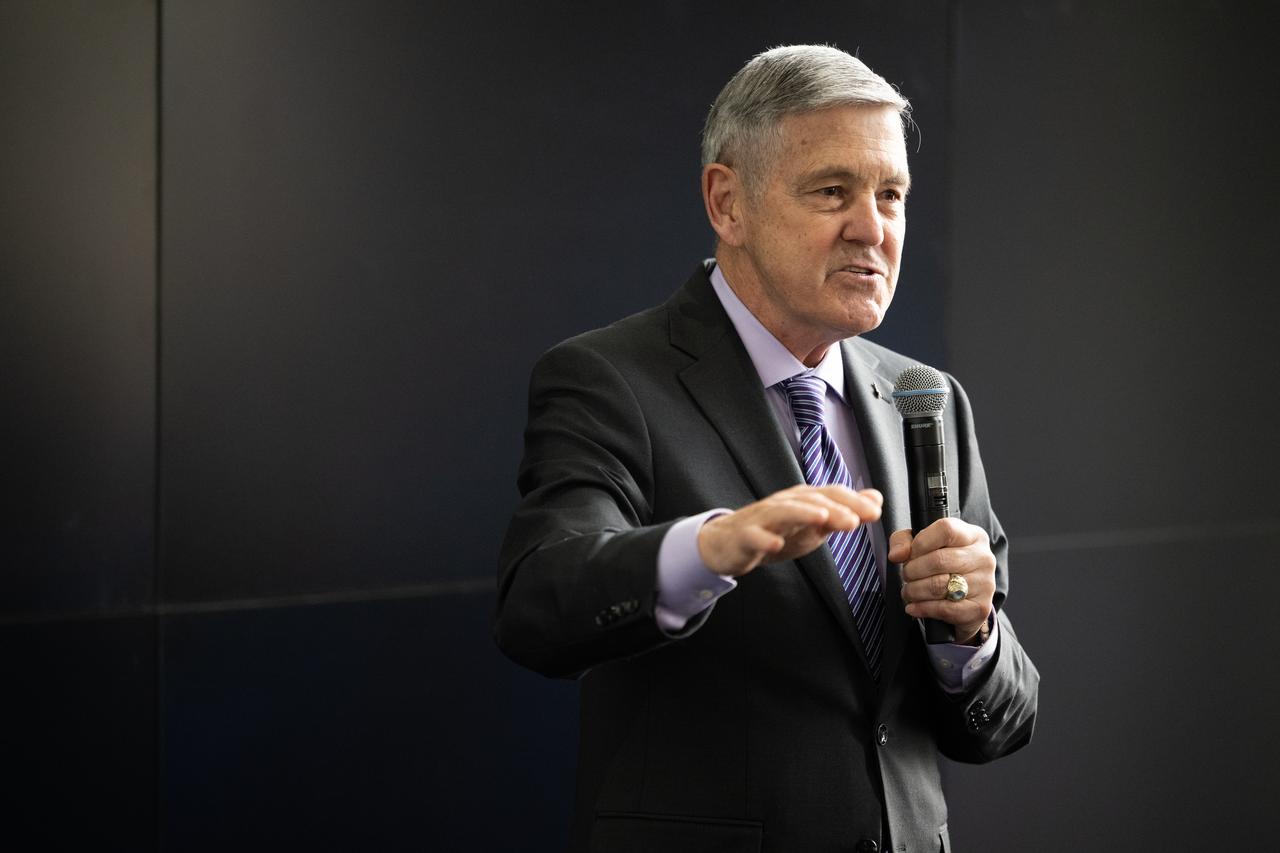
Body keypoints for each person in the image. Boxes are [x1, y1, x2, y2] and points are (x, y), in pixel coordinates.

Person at [495, 45, 1038, 853]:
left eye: (891, 194)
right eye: (832, 191)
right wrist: (705, 550)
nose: (873, 227)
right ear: (728, 202)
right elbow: (541, 604)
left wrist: (967, 636)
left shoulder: (930, 399)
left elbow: (1001, 721)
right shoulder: (609, 379)